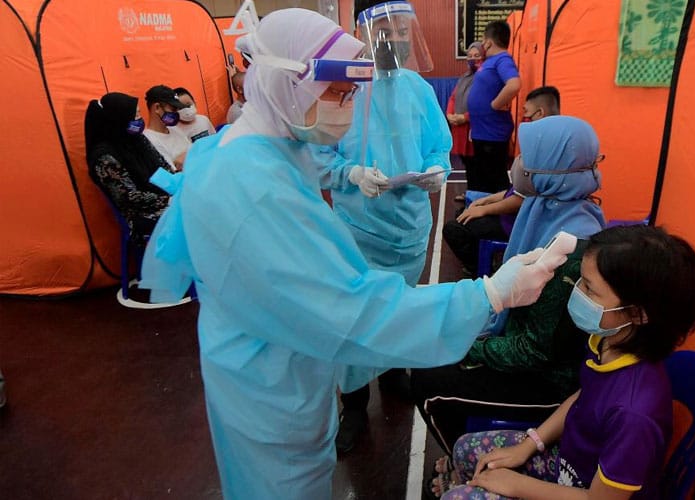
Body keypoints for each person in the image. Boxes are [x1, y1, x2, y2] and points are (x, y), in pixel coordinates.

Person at [139, 8, 559, 499]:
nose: (348, 102)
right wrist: (488, 295)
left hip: (282, 363)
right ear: (284, 81)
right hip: (273, 398)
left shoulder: (264, 145)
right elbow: (353, 314)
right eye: (337, 90)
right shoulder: (254, 191)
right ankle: (356, 403)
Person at [437, 224, 695, 499]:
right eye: (581, 281)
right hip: (568, 467)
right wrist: (529, 445)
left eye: (590, 290)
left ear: (636, 314)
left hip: (589, 493)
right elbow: (584, 396)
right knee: (464, 449)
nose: (577, 293)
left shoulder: (634, 414)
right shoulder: (606, 342)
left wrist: (516, 485)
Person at [412, 115, 606, 461]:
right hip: (527, 346)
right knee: (443, 345)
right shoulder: (547, 207)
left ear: (553, 169)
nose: (519, 164)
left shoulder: (570, 247)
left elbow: (534, 351)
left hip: (551, 380)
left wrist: (474, 347)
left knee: (429, 379)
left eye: (529, 157)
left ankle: (469, 463)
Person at [314, 0, 452, 454]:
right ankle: (353, 405)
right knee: (354, 321)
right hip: (358, 228)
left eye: (401, 32)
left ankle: (393, 373)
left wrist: (435, 171)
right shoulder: (344, 90)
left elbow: (438, 146)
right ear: (365, 37)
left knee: (400, 310)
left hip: (410, 225)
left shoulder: (417, 88)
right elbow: (318, 155)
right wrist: (350, 175)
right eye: (384, 32)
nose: (394, 40)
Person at [443, 86, 562, 277]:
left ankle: (481, 270)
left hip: (520, 223)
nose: (523, 119)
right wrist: (487, 201)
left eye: (525, 113)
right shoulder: (549, 142)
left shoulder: (544, 153)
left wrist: (484, 208)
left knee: (454, 228)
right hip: (516, 214)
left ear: (540, 114)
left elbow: (521, 200)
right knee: (464, 211)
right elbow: (517, 190)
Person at [84, 92, 175, 242]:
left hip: (163, 198)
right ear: (119, 119)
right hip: (139, 215)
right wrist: (168, 201)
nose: (139, 119)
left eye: (139, 114)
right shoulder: (104, 158)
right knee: (191, 214)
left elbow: (162, 165)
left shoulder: (137, 138)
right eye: (135, 115)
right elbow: (129, 198)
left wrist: (177, 183)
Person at [466, 20, 521, 194]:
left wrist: (495, 104)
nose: (482, 44)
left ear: (488, 42)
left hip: (492, 134)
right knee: (484, 177)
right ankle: (485, 213)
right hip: (482, 131)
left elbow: (514, 84)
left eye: (483, 40)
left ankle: (500, 217)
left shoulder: (502, 59)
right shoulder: (491, 61)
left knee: (495, 179)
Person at [446, 41, 485, 202]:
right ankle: (470, 192)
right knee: (467, 163)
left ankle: (479, 196)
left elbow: (483, 103)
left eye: (477, 55)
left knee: (478, 165)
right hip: (459, 128)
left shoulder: (484, 76)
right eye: (469, 56)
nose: (472, 59)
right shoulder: (464, 77)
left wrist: (465, 117)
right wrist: (449, 114)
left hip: (474, 128)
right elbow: (454, 97)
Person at [143, 85, 192, 171]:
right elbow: (172, 171)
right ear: (157, 108)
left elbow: (196, 154)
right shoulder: (149, 139)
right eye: (173, 109)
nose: (176, 113)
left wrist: (184, 157)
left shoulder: (175, 129)